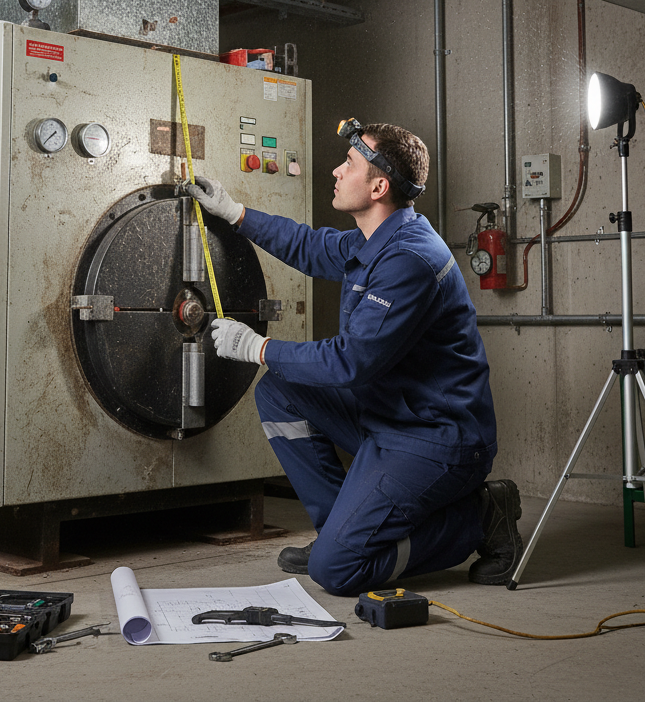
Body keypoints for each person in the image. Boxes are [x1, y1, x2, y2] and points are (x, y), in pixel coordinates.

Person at [186, 118, 521, 596]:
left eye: (349, 164)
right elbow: (308, 245)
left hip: (434, 438)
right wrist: (235, 212)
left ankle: (481, 517)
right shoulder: (374, 240)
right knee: (281, 393)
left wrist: (256, 347)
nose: (336, 172)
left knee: (337, 571)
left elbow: (351, 362)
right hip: (389, 416)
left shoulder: (409, 260)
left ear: (379, 186)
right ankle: (340, 529)